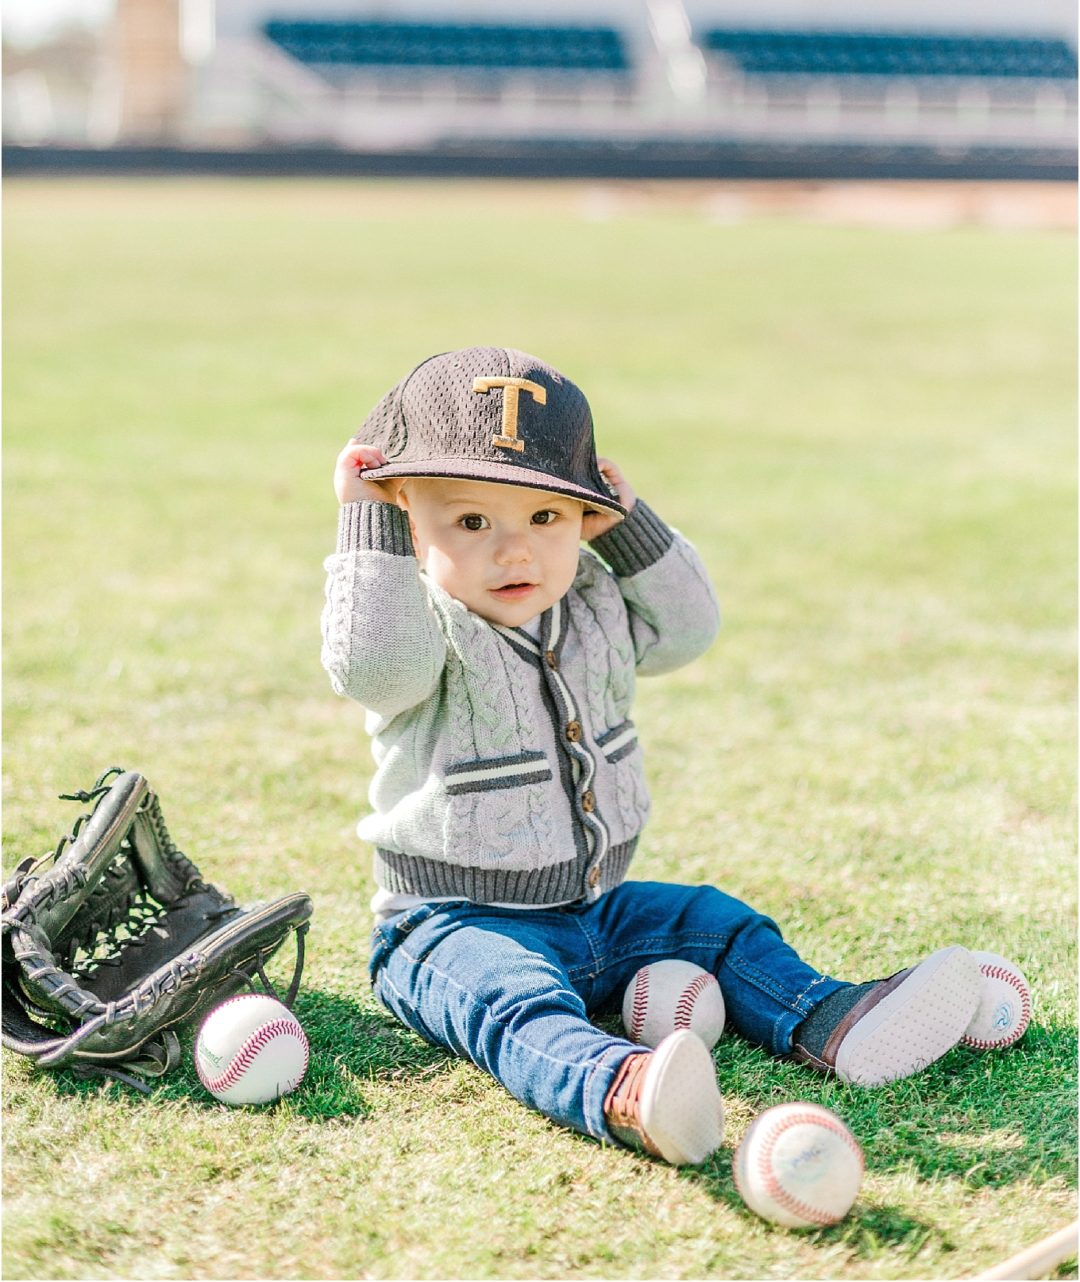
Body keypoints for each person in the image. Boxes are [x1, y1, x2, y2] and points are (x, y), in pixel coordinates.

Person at [321, 346, 983, 1165]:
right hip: (453, 924)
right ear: (407, 520)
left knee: (716, 923)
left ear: (585, 516)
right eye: (469, 521)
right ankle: (625, 1088)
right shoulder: (422, 630)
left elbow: (690, 627)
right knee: (514, 1004)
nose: (515, 551)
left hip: (602, 907)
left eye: (545, 518)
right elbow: (372, 667)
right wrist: (365, 525)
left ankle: (833, 1018)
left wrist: (631, 527)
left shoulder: (595, 598)